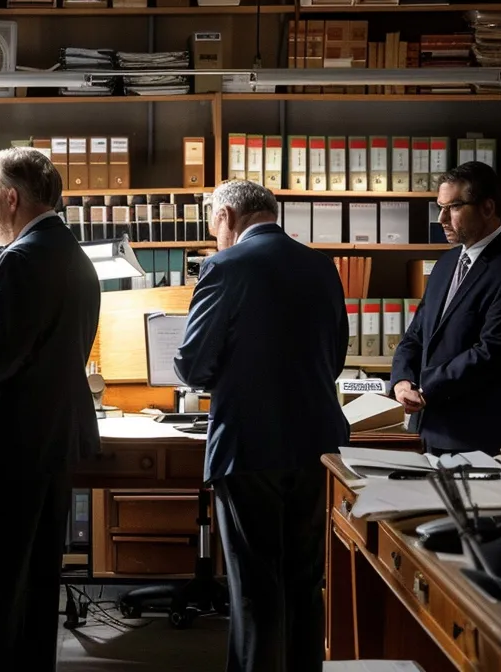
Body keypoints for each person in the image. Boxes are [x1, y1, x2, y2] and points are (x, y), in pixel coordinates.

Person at [174, 180, 348, 672]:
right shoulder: (322, 266)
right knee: (304, 585)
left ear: (227, 214)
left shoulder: (223, 267)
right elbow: (334, 358)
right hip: (317, 444)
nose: (213, 234)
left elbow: (193, 366)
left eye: (212, 223)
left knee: (255, 592)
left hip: (248, 447)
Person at [0, 147, 100, 672]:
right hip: (53, 443)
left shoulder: (21, 257)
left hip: (10, 448)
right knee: (38, 591)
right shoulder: (76, 256)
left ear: (11, 198)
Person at [391, 161, 501, 455]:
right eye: (440, 207)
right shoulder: (446, 264)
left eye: (454, 207)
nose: (442, 219)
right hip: (425, 429)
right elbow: (416, 335)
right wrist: (402, 381)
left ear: (487, 208)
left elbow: (494, 352)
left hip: (474, 438)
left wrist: (426, 389)